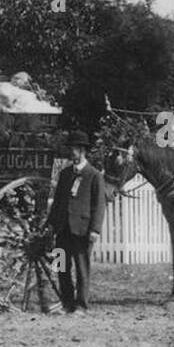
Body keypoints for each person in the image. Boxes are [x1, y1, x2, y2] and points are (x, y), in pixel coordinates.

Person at [49, 130, 106, 315]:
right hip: (62, 229)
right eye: (70, 148)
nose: (70, 152)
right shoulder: (65, 174)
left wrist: (95, 229)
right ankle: (67, 303)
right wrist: (51, 224)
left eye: (73, 149)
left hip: (82, 229)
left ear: (82, 151)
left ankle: (81, 305)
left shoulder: (94, 175)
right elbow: (57, 202)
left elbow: (99, 205)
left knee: (82, 269)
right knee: (61, 267)